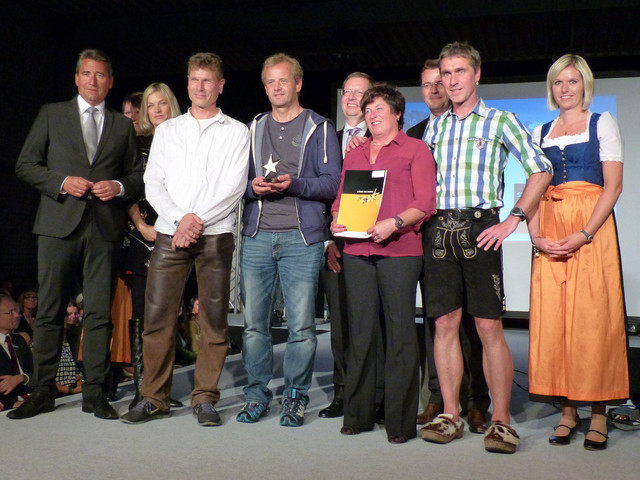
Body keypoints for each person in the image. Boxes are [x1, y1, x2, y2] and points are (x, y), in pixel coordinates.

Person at [420, 41, 552, 453]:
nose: (452, 80)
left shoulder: (500, 119)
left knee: (489, 326)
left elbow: (541, 168)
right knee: (443, 325)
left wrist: (513, 218)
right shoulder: (435, 126)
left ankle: (500, 420)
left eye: (460, 71)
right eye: (447, 73)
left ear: (477, 74)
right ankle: (451, 414)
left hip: (481, 227)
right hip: (439, 231)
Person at [12, 49, 142, 421]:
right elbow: (26, 164)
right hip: (57, 225)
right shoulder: (52, 114)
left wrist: (117, 186)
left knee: (99, 313)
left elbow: (136, 176)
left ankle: (96, 392)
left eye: (100, 75)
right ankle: (42, 391)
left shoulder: (121, 124)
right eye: (86, 73)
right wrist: (61, 182)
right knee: (50, 309)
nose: (93, 80)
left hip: (103, 228)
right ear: (76, 77)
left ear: (110, 81)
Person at [120, 52, 250, 426]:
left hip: (215, 235)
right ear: (188, 83)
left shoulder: (237, 131)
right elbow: (153, 183)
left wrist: (196, 221)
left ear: (220, 86)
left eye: (207, 80)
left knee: (212, 320)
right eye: (194, 80)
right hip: (169, 235)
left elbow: (232, 187)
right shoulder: (168, 131)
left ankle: (205, 397)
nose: (200, 87)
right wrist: (180, 221)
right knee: (158, 317)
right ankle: (153, 397)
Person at [528, 54, 628, 451]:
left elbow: (613, 187)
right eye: (558, 82)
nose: (565, 88)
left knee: (592, 317)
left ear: (585, 84)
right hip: (550, 227)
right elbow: (534, 188)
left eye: (572, 81)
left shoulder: (602, 122)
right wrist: (535, 236)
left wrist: (585, 233)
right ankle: (568, 410)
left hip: (591, 227)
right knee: (556, 320)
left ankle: (599, 412)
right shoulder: (540, 131)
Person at [238, 53, 341, 427]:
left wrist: (295, 185)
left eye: (283, 81)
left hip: (302, 239)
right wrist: (251, 188)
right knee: (254, 325)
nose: (276, 88)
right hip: (257, 236)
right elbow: (237, 184)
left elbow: (332, 184)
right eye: (270, 82)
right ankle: (256, 394)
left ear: (298, 83)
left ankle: (295, 397)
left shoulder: (319, 127)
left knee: (301, 326)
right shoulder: (253, 127)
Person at [331, 83, 436, 443]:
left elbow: (425, 201)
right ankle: (357, 415)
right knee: (360, 333)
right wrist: (336, 219)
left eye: (379, 109)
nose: (372, 115)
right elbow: (342, 197)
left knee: (400, 335)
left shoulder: (415, 150)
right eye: (368, 110)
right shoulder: (355, 153)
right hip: (358, 252)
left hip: (400, 251)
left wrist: (395, 222)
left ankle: (399, 422)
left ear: (397, 114)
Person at [407, 59, 489, 432]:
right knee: (439, 321)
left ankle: (476, 402)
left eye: (438, 82)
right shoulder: (417, 133)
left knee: (476, 322)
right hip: (430, 236)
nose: (435, 89)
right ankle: (439, 397)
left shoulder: (476, 123)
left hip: (471, 233)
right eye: (426, 86)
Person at [121, 82, 182, 408]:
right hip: (143, 237)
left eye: (163, 103)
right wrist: (142, 225)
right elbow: (128, 190)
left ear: (172, 106)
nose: (157, 110)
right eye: (151, 105)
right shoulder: (135, 144)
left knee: (169, 316)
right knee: (144, 315)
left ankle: (162, 390)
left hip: (179, 238)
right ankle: (141, 390)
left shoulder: (184, 141)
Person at [318, 72, 375, 419]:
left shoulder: (384, 137)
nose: (352, 98)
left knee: (373, 322)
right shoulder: (327, 138)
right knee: (339, 324)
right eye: (347, 92)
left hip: (375, 242)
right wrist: (327, 238)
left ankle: (375, 393)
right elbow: (321, 196)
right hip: (333, 242)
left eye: (360, 93)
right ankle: (342, 392)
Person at [0, 294, 33, 411]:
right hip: (9, 406)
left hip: (32, 398)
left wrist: (22, 378)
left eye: (17, 311)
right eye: (10, 312)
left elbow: (36, 372)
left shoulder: (19, 340)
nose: (17, 315)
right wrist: (9, 404)